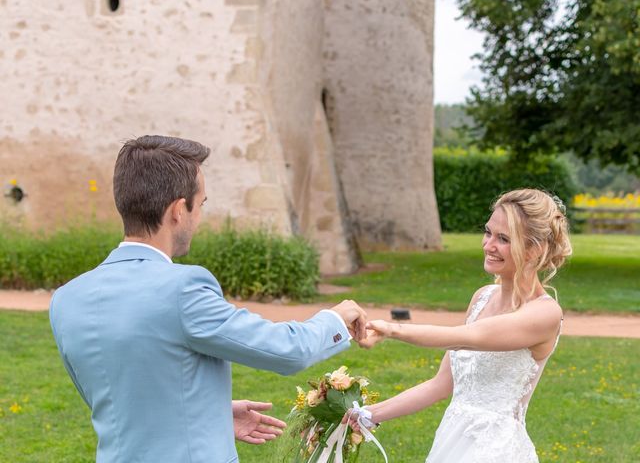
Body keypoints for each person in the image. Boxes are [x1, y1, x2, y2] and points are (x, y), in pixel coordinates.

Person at [49, 135, 368, 463]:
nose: (199, 216)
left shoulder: (66, 299)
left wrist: (207, 414)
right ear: (177, 211)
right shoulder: (183, 288)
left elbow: (114, 397)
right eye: (200, 204)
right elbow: (286, 350)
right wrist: (335, 317)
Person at [348, 188, 572, 462]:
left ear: (533, 249)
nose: (488, 245)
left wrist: (393, 329)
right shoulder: (482, 297)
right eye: (488, 232)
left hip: (495, 448)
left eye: (503, 239)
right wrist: (369, 414)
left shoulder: (544, 313)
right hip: (453, 438)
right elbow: (441, 385)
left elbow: (464, 337)